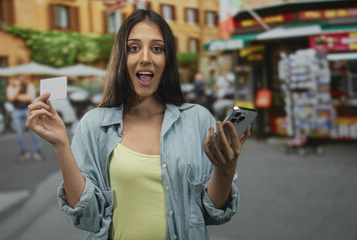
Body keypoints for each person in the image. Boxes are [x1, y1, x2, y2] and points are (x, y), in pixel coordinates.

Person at [27, 9, 250, 240]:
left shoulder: (198, 119)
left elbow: (213, 214)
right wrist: (61, 145)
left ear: (167, 59)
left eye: (157, 48)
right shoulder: (94, 125)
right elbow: (87, 216)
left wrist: (225, 170)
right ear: (122, 59)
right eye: (134, 48)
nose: (145, 58)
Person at [6, 74, 43, 162]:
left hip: (27, 110)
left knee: (34, 130)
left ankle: (38, 150)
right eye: (19, 78)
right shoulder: (12, 86)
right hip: (17, 110)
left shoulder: (29, 85)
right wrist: (18, 88)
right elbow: (10, 98)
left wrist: (17, 97)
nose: (21, 80)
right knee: (19, 132)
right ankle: (23, 151)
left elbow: (30, 96)